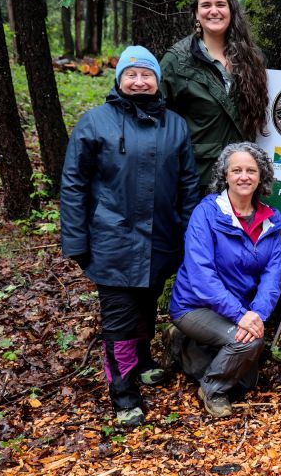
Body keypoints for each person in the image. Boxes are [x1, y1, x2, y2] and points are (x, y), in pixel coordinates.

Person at [61, 46, 200, 427]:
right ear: (119, 79)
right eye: (131, 75)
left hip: (161, 239)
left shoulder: (175, 125)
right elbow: (73, 185)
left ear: (157, 80)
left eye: (146, 75)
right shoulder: (94, 122)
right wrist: (76, 242)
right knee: (120, 319)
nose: (139, 82)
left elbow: (188, 186)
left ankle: (142, 362)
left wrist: (190, 237)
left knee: (145, 306)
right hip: (112, 241)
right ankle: (123, 393)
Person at [168, 142, 281, 419]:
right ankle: (212, 389)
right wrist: (241, 316)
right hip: (194, 306)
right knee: (248, 344)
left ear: (261, 175)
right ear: (225, 175)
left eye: (251, 170)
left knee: (247, 382)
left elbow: (272, 279)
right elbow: (201, 277)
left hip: (239, 310)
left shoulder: (270, 221)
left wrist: (257, 315)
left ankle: (185, 345)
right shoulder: (206, 213)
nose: (244, 176)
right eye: (236, 170)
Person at [160, 0, 270, 190]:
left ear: (231, 10)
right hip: (197, 176)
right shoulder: (177, 61)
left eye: (220, 4)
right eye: (206, 5)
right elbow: (159, 119)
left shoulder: (250, 57)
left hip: (241, 179)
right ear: (196, 13)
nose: (214, 11)